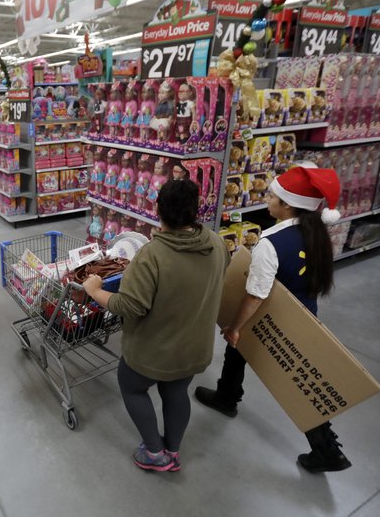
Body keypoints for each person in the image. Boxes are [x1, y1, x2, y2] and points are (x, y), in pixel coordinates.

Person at [195, 165, 351, 473]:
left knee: (293, 382)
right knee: (282, 371)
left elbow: (256, 296)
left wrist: (235, 327)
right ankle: (227, 395)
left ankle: (328, 451)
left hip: (273, 317)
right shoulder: (314, 232)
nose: (267, 199)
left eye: (272, 195)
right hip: (303, 314)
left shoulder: (271, 243)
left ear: (288, 205)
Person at [84, 178, 230, 472]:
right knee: (176, 393)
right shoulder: (216, 243)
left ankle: (153, 453)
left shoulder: (152, 255)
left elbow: (129, 306)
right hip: (193, 349)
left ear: (157, 208)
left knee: (132, 387)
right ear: (195, 209)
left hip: (152, 352)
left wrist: (95, 290)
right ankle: (173, 451)